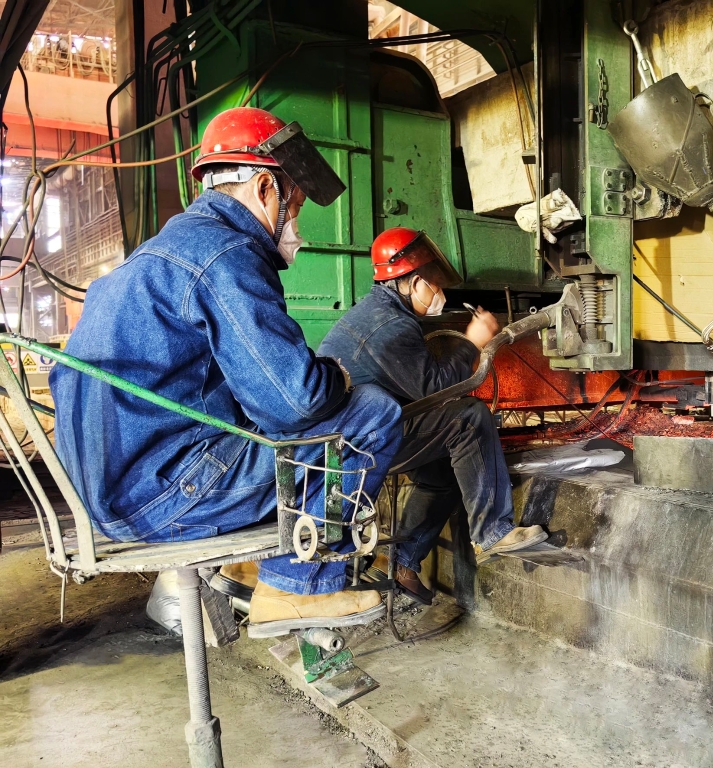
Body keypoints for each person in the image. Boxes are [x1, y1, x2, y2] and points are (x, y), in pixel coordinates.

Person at [50, 107, 403, 634]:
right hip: (163, 498)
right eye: (295, 208)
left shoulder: (158, 252)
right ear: (264, 189)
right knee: (373, 413)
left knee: (264, 423)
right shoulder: (228, 254)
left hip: (99, 499)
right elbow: (296, 401)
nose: (296, 227)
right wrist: (338, 377)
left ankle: (251, 570)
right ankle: (295, 587)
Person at [317, 227, 547, 605]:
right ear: (414, 283)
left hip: (355, 433)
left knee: (440, 476)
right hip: (361, 442)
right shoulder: (391, 325)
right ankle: (493, 532)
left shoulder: (376, 311)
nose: (439, 292)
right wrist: (473, 342)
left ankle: (403, 564)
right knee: (468, 417)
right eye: (434, 284)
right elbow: (437, 388)